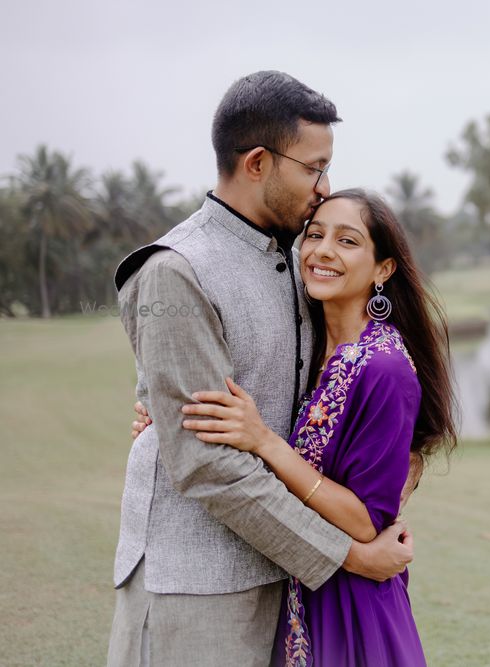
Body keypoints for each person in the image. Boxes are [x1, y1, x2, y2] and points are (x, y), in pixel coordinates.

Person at [107, 72, 414, 667]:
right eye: (313, 168)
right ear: (256, 162)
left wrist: (395, 483)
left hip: (287, 585)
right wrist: (351, 554)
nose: (324, 189)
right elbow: (210, 467)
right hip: (197, 586)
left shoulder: (301, 260)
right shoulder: (176, 271)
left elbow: (362, 394)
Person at [131, 189, 457, 665]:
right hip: (301, 593)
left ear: (383, 269)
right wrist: (165, 421)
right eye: (315, 235)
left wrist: (262, 440)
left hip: (353, 609)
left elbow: (367, 521)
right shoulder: (311, 344)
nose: (323, 250)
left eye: (347, 242)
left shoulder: (384, 370)